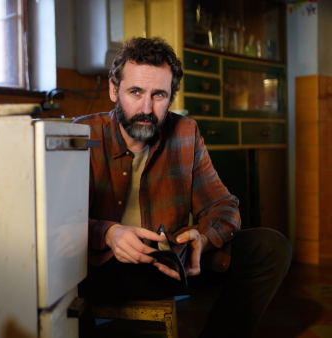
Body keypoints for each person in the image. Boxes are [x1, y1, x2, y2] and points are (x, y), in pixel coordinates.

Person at [73, 37, 292, 338]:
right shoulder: (80, 135)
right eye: (135, 92)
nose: (146, 108)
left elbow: (224, 206)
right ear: (114, 89)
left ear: (171, 97)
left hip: (169, 265)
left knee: (271, 248)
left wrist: (203, 239)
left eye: (159, 95)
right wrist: (108, 233)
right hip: (99, 269)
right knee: (53, 272)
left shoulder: (186, 132)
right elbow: (53, 225)